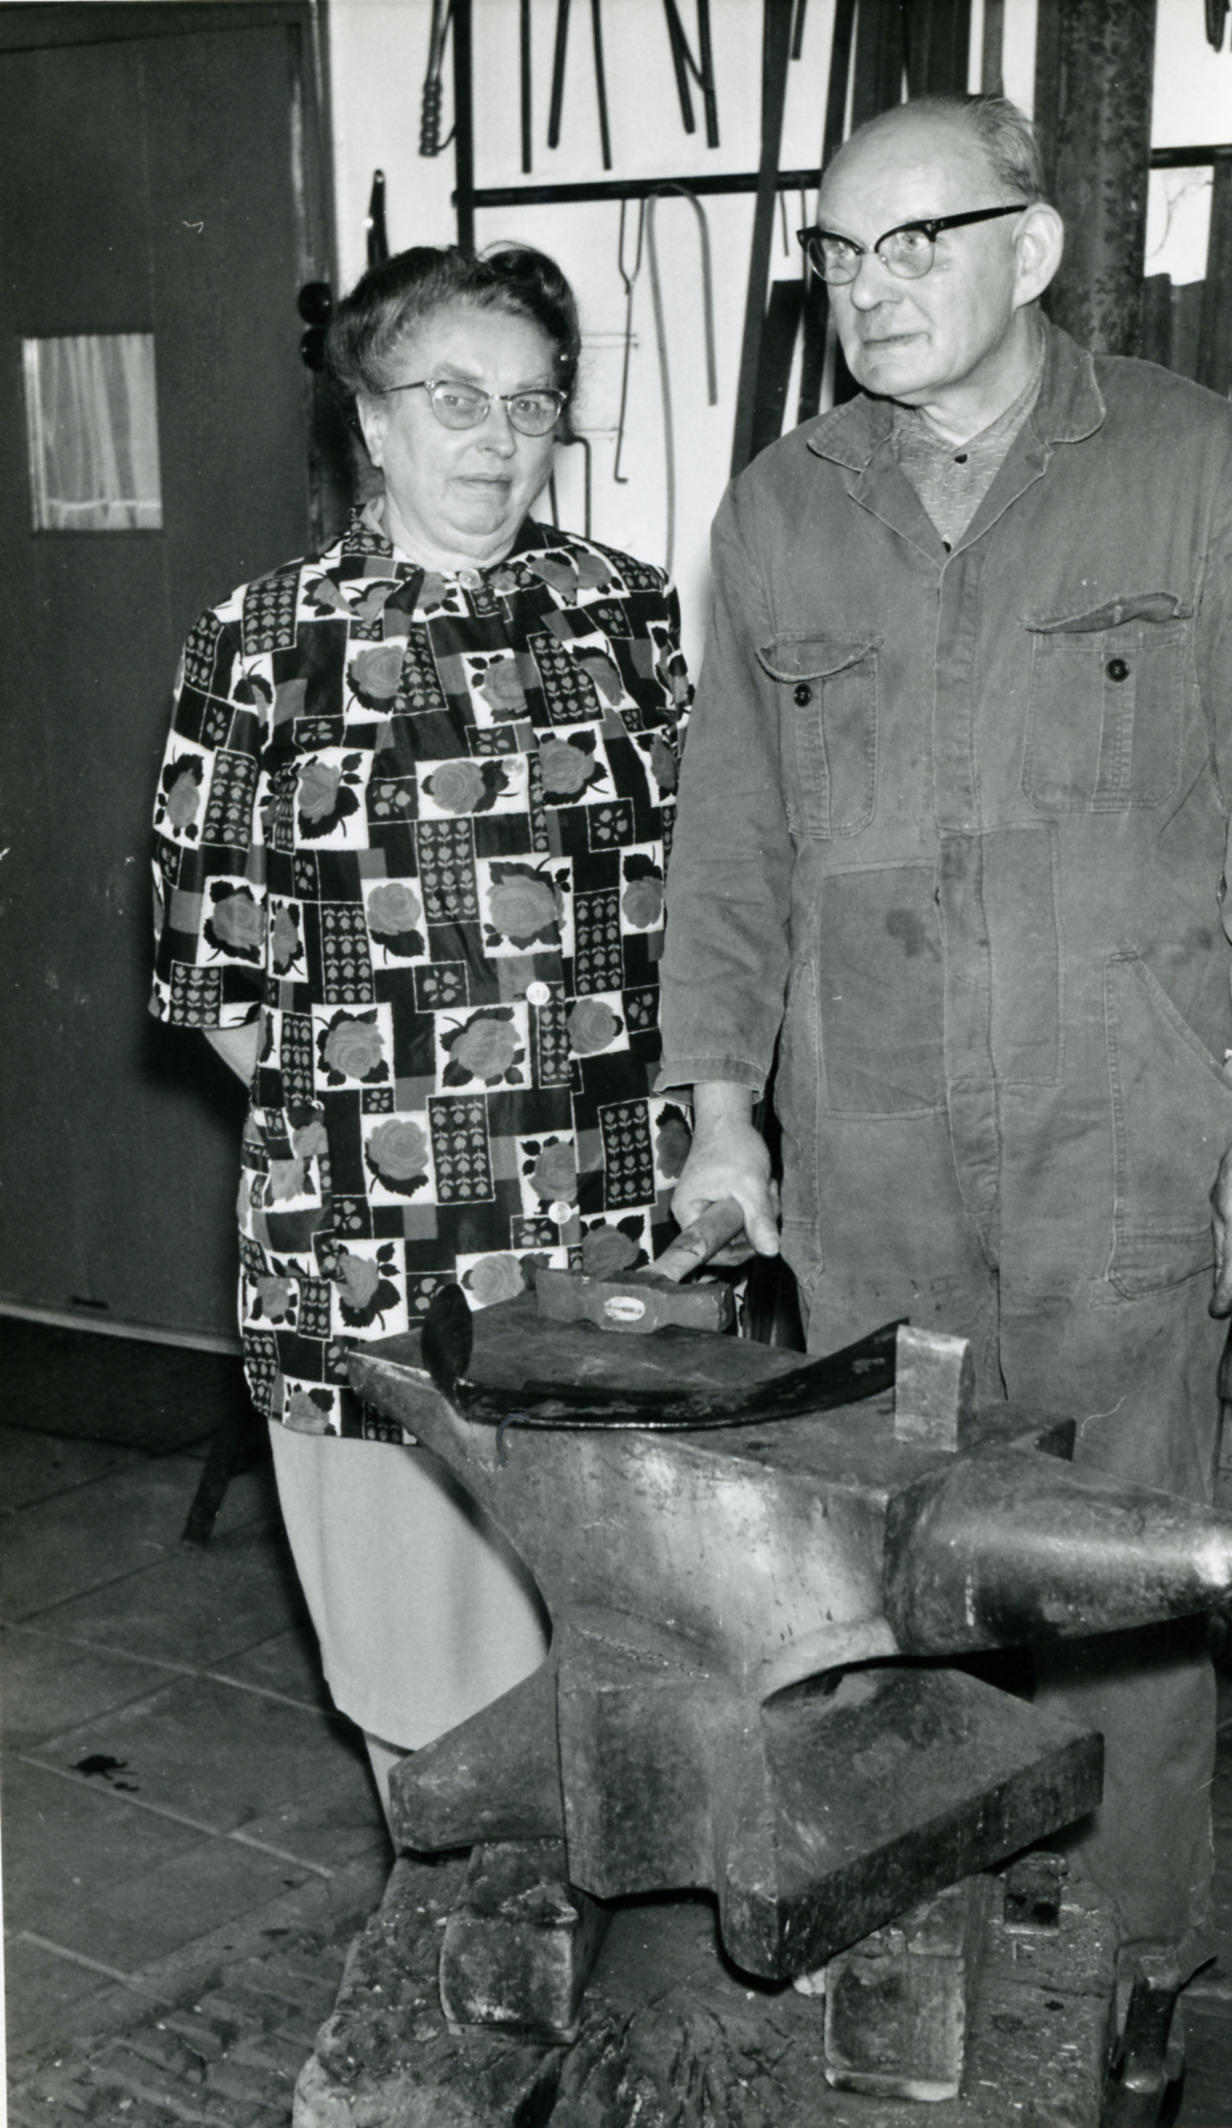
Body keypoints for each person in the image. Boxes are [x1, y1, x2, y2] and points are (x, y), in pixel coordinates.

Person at [657, 94, 1232, 2018]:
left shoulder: (1188, 465)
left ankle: (1130, 1973)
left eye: (913, 243)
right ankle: (917, 1960)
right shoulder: (783, 506)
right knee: (889, 1577)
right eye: (836, 254)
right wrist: (720, 1112)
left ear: (1030, 248)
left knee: (1120, 1589)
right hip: (871, 1156)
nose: (864, 289)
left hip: (1120, 1141)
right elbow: (731, 839)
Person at [149, 244, 693, 1808]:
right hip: (375, 1250)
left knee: (625, 1647)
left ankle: (591, 1933)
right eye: (453, 396)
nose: (497, 435)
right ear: (371, 419)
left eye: (530, 401)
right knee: (430, 1687)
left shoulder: (629, 615)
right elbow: (215, 980)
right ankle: (462, 1942)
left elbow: (710, 912)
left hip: (608, 1228)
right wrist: (372, 1145)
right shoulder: (260, 642)